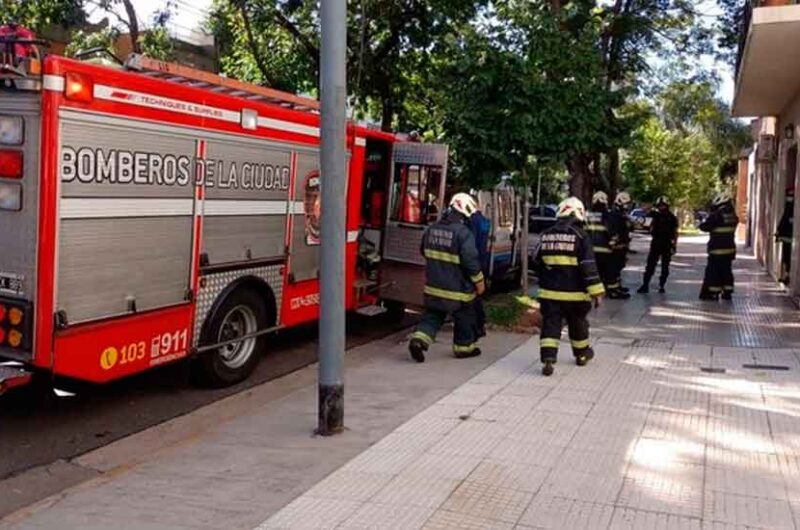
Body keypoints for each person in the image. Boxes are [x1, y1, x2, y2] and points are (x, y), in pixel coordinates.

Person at [408, 193, 486, 362]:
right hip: (458, 290)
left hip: (433, 287)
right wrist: (479, 282)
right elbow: (471, 261)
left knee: (433, 316)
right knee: (465, 316)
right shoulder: (463, 233)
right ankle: (463, 348)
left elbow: (423, 251)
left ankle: (419, 339)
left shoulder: (432, 229)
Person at [533, 197, 605, 377]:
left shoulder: (545, 234)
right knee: (578, 324)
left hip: (549, 293)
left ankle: (548, 359)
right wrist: (597, 292)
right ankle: (581, 355)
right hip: (575, 295)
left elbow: (535, 259)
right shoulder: (581, 236)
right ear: (578, 214)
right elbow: (588, 266)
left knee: (550, 325)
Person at [699, 192, 739, 301]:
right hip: (730, 249)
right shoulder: (733, 215)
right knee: (727, 271)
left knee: (714, 271)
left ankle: (713, 293)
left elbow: (704, 227)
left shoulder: (716, 215)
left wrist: (703, 221)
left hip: (716, 249)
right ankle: (727, 292)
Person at [638, 196, 679, 294]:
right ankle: (646, 285)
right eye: (660, 206)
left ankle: (660, 285)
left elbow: (675, 232)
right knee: (651, 265)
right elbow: (645, 223)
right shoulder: (655, 215)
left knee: (664, 266)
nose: (662, 208)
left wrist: (674, 245)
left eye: (663, 206)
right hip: (657, 243)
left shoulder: (672, 218)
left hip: (665, 244)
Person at [469, 200, 491, 338]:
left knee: (470, 298)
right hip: (481, 261)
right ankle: (480, 325)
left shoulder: (471, 221)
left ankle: (476, 327)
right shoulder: (484, 221)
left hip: (470, 262)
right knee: (476, 296)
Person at [607, 191, 633, 299]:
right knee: (613, 269)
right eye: (625, 204)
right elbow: (614, 232)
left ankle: (617, 287)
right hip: (616, 248)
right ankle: (613, 290)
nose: (627, 206)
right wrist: (615, 244)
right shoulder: (614, 215)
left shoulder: (621, 214)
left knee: (619, 268)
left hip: (622, 246)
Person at [587, 191, 614, 292]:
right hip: (604, 250)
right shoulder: (607, 215)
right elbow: (610, 231)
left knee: (593, 272)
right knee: (603, 273)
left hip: (590, 250)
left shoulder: (587, 214)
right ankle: (602, 291)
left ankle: (592, 290)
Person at [776, 188, 794, 285]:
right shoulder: (790, 208)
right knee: (786, 257)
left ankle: (787, 276)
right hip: (787, 237)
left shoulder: (791, 208)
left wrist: (779, 231)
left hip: (788, 238)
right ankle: (786, 275)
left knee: (787, 257)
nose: (789, 199)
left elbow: (784, 219)